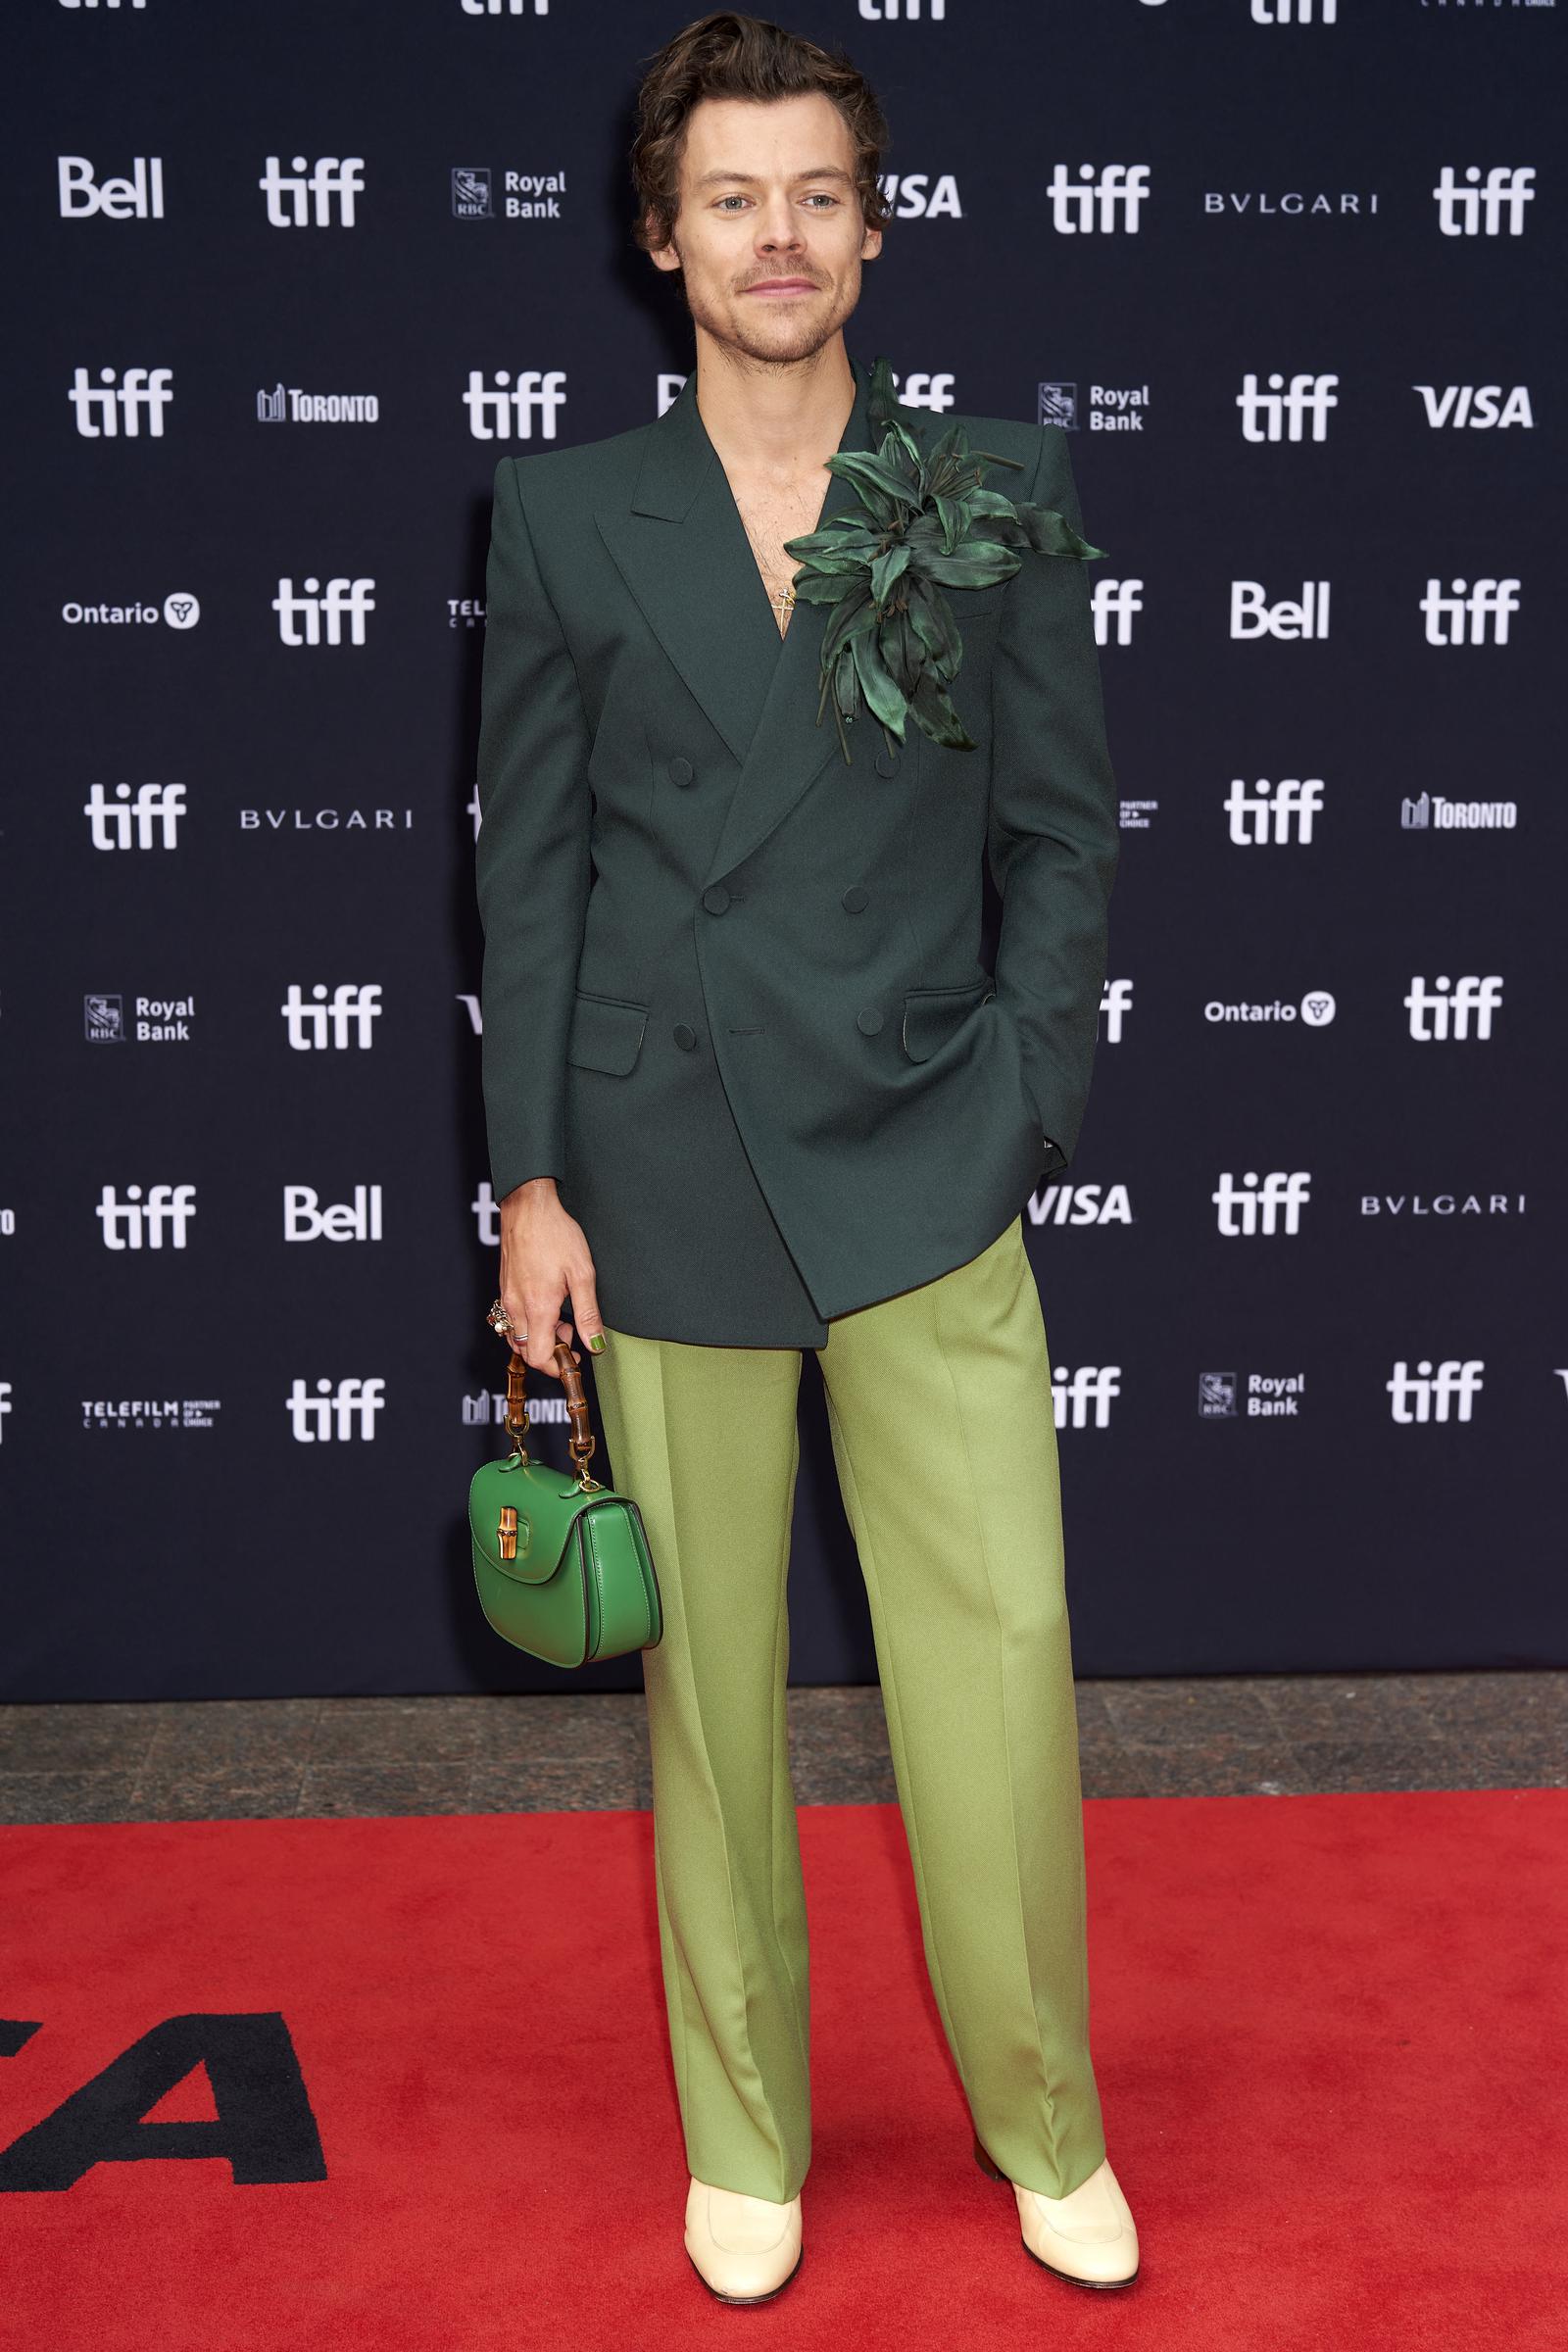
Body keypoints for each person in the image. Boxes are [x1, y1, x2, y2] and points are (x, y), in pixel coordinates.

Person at [473, 7, 1139, 2304]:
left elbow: (1059, 834)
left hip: (921, 1160)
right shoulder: (566, 508)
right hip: (655, 1173)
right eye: (732, 197)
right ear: (663, 237)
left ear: (869, 229)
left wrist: (1018, 1099)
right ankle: (742, 2129)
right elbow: (533, 871)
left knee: (998, 1665)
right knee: (709, 1707)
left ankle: (1043, 2114)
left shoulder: (989, 488)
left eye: (817, 196)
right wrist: (529, 1182)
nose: (779, 237)